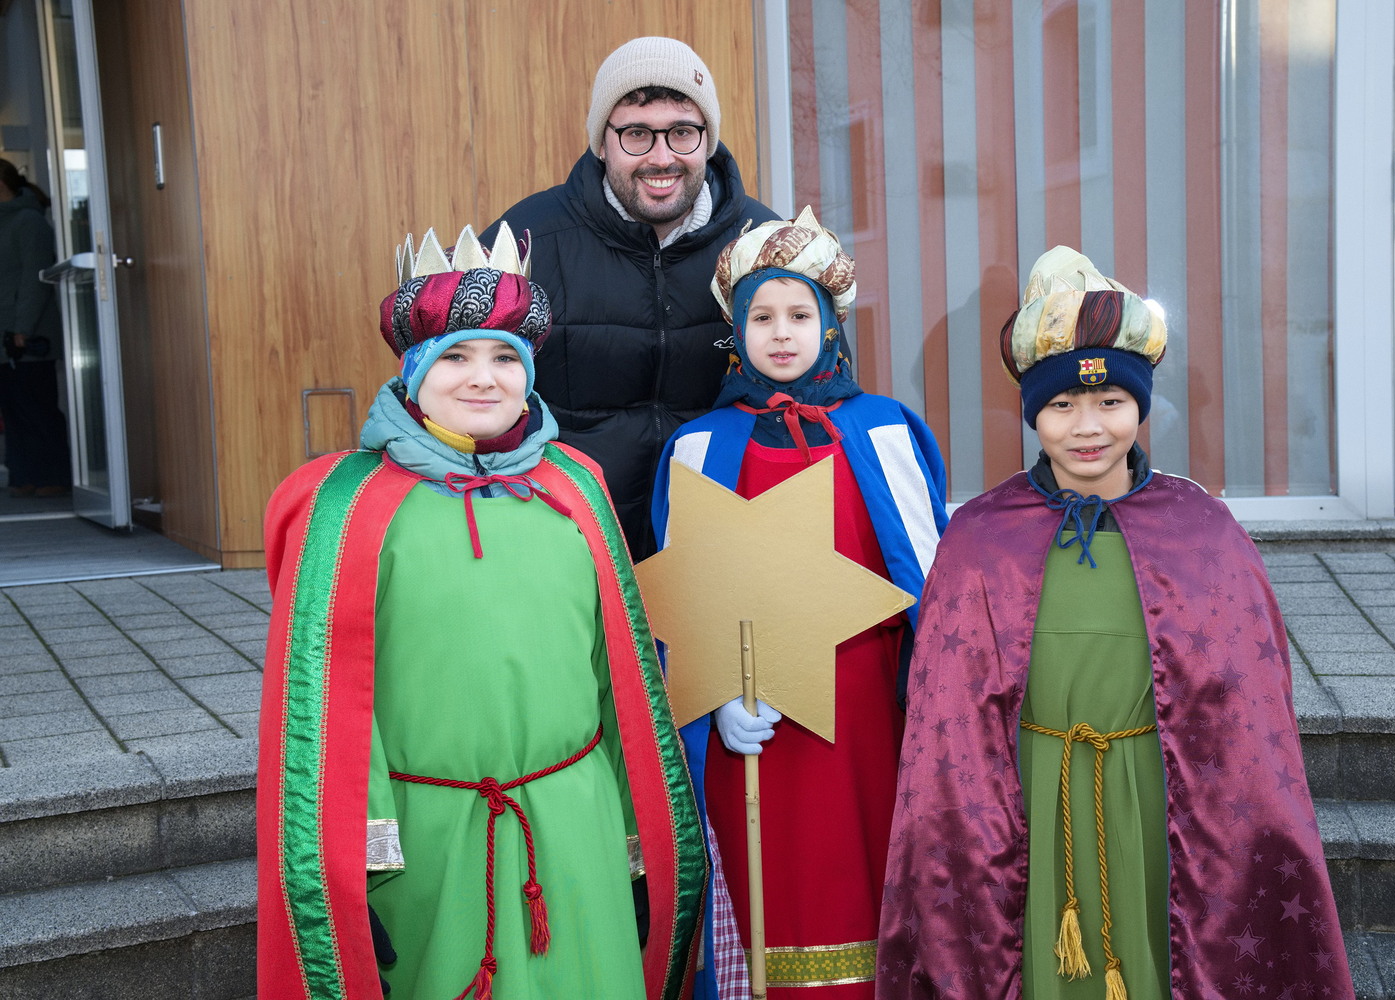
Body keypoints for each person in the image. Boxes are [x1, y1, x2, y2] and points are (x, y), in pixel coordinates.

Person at [876, 248, 1354, 999]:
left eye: (1110, 402)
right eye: (1062, 406)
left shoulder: (1201, 530)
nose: (1088, 427)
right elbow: (946, 716)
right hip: (1026, 795)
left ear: (1141, 407)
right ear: (1033, 414)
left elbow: (1250, 709)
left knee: (1163, 956)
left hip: (1164, 793)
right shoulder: (979, 537)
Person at [256, 225, 705, 1000]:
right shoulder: (342, 505)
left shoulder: (576, 486)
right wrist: (353, 870)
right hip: (427, 845)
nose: (483, 379)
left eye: (505, 357)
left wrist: (636, 843)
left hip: (576, 830)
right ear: (413, 370)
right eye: (456, 357)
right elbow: (324, 703)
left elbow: (619, 680)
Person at [651, 209, 949, 999]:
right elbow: (684, 600)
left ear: (831, 323)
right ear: (735, 330)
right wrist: (714, 698)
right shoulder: (701, 446)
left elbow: (932, 584)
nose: (781, 334)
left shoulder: (884, 432)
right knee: (769, 884)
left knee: (869, 867)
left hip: (868, 713)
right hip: (757, 723)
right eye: (761, 317)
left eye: (798, 315)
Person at [481, 36, 779, 561]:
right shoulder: (525, 242)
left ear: (708, 140)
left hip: (721, 548)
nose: (662, 158)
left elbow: (824, 387)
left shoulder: (764, 243)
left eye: (682, 132)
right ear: (602, 142)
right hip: (563, 542)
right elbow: (452, 392)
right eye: (637, 134)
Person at [0, 158, 70, 498]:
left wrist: (22, 329)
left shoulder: (29, 222)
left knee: (37, 406)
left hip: (27, 335)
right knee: (13, 407)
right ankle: (24, 476)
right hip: (5, 334)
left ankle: (53, 476)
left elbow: (35, 278)